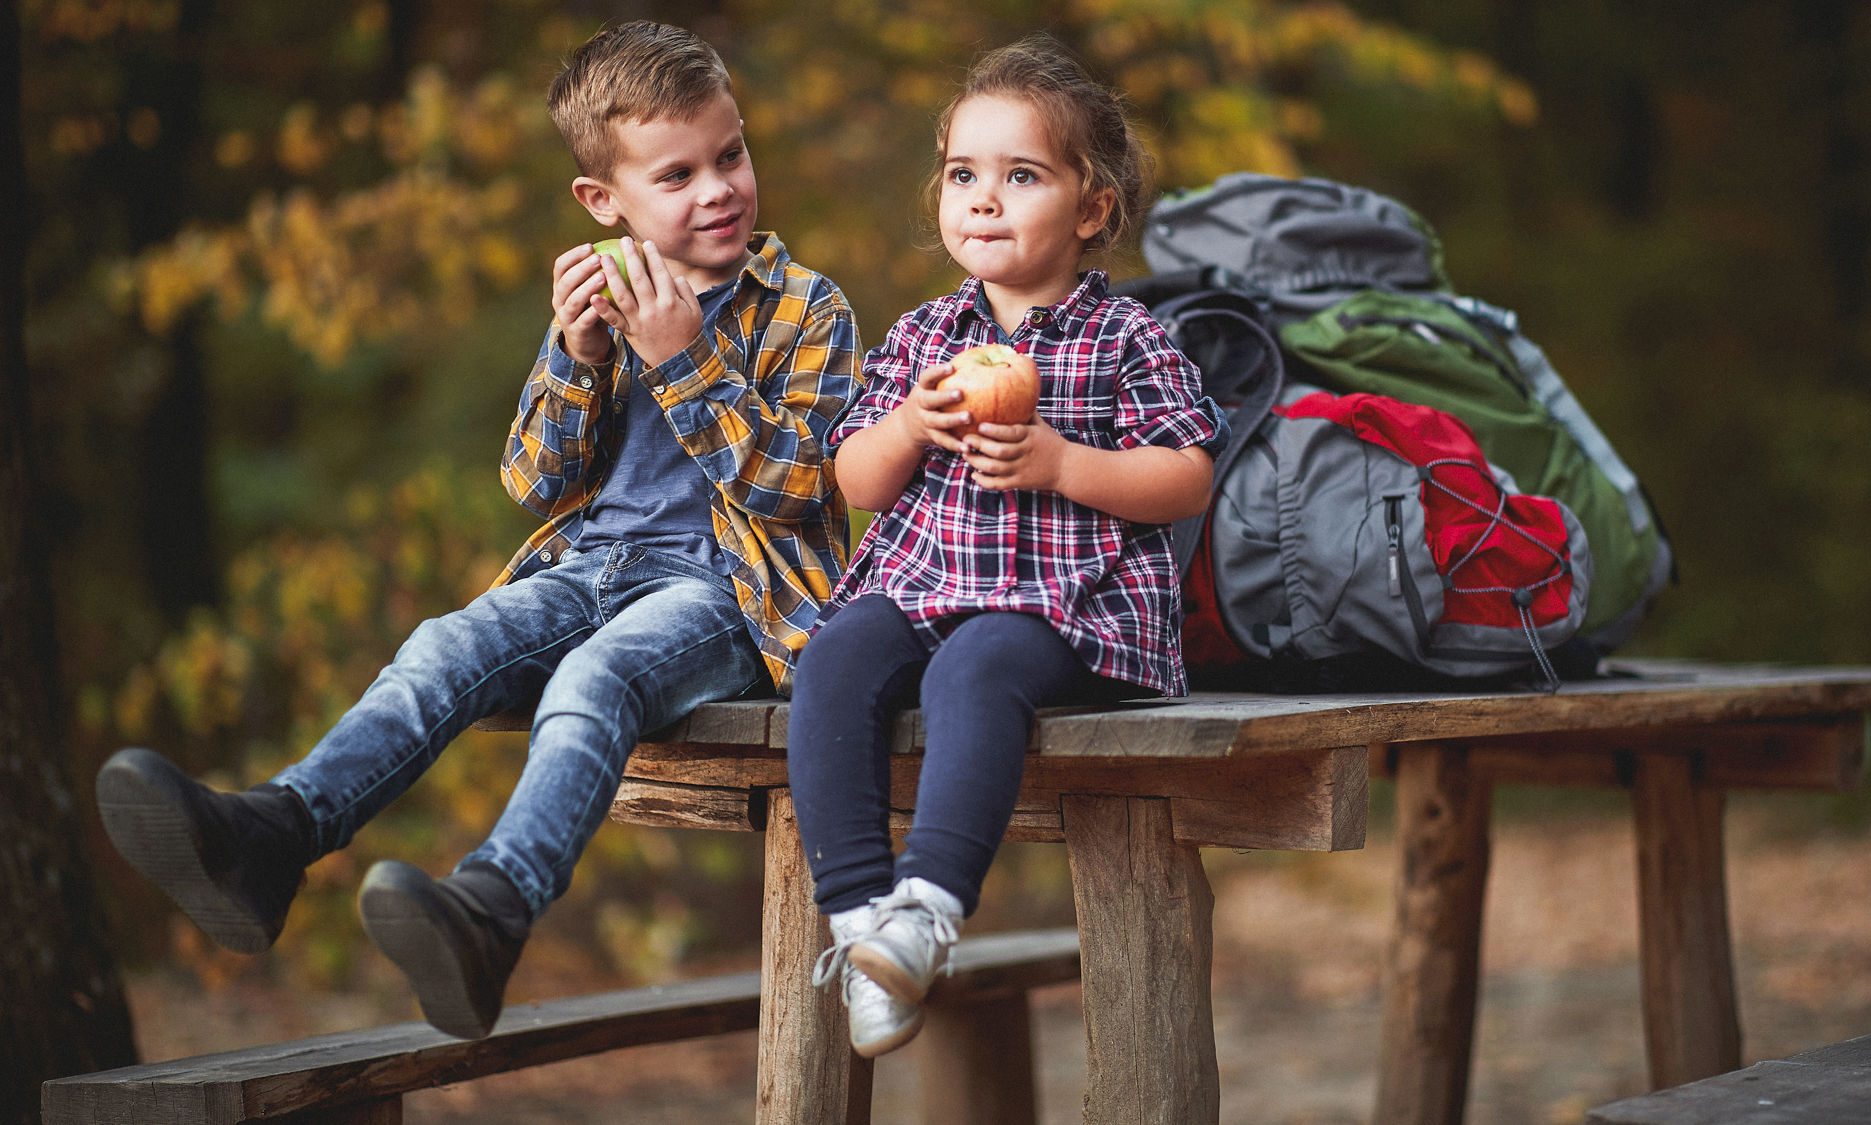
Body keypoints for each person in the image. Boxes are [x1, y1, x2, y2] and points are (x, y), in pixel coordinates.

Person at [94, 20, 858, 1041]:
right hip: (588, 566)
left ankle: (494, 908)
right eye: (675, 175)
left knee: (597, 679)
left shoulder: (807, 308)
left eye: (730, 155)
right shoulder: (605, 303)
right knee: (444, 643)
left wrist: (683, 362)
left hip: (728, 593)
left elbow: (802, 490)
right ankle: (271, 837)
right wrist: (579, 354)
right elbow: (535, 482)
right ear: (604, 202)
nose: (717, 188)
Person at [786, 35, 1227, 1058]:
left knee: (976, 669)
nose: (982, 199)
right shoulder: (921, 336)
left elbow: (1185, 474)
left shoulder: (1124, 336)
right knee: (837, 654)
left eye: (1019, 175)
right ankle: (861, 929)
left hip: (1066, 605)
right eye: (962, 174)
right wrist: (906, 427)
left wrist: (1065, 464)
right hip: (921, 582)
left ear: (1088, 209)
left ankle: (929, 908)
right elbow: (853, 480)